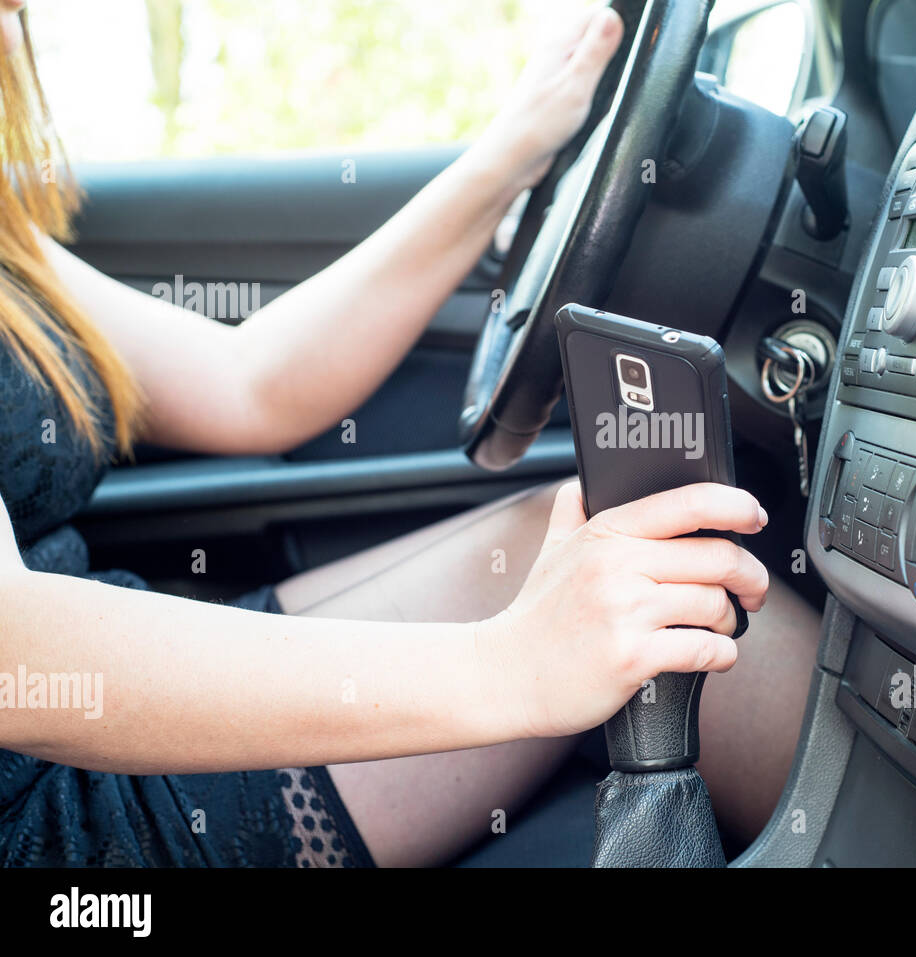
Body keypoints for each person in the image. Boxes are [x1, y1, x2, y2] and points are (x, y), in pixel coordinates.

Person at [0, 2, 821, 867]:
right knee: (673, 614)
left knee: (652, 571)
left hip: (104, 681)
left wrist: (514, 148)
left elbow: (252, 384)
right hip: (51, 804)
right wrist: (510, 666)